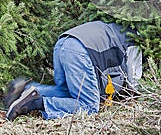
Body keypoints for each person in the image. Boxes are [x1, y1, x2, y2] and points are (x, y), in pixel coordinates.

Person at [4, 21, 142, 121]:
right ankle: (35, 103)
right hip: (80, 51)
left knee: (67, 93)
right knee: (89, 106)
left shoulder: (118, 27)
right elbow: (133, 83)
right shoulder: (135, 40)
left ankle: (25, 91)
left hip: (63, 43)